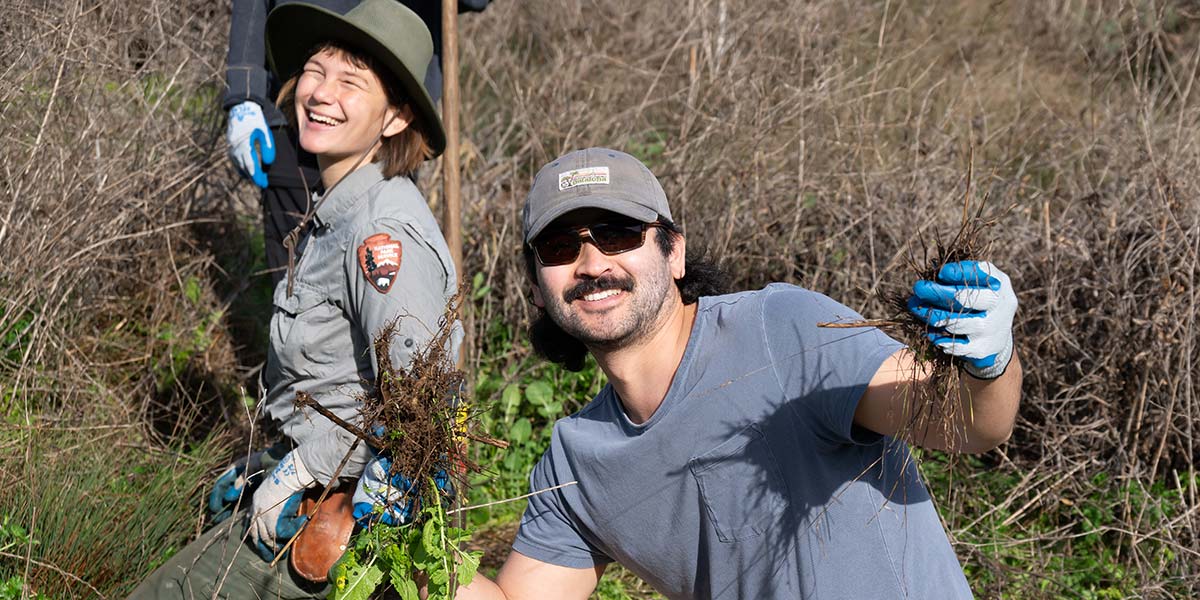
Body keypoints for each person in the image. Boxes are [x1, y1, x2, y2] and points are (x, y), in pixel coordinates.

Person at [443, 147, 1021, 599]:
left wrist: (988, 361)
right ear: (538, 288)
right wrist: (403, 540)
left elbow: (968, 426)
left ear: (674, 254)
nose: (593, 264)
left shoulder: (782, 329)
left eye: (619, 235)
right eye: (560, 247)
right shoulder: (576, 463)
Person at [129, 1, 458, 596]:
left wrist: (305, 469)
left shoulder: (380, 234)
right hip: (303, 483)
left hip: (337, 522)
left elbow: (418, 406)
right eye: (314, 69)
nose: (320, 93)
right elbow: (336, 380)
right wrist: (268, 463)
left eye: (351, 82)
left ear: (394, 118)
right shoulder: (332, 212)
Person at [224, 0, 488, 285]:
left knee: (379, 267)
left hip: (385, 115)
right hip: (296, 115)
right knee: (293, 287)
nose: (327, 93)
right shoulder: (313, 92)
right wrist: (245, 92)